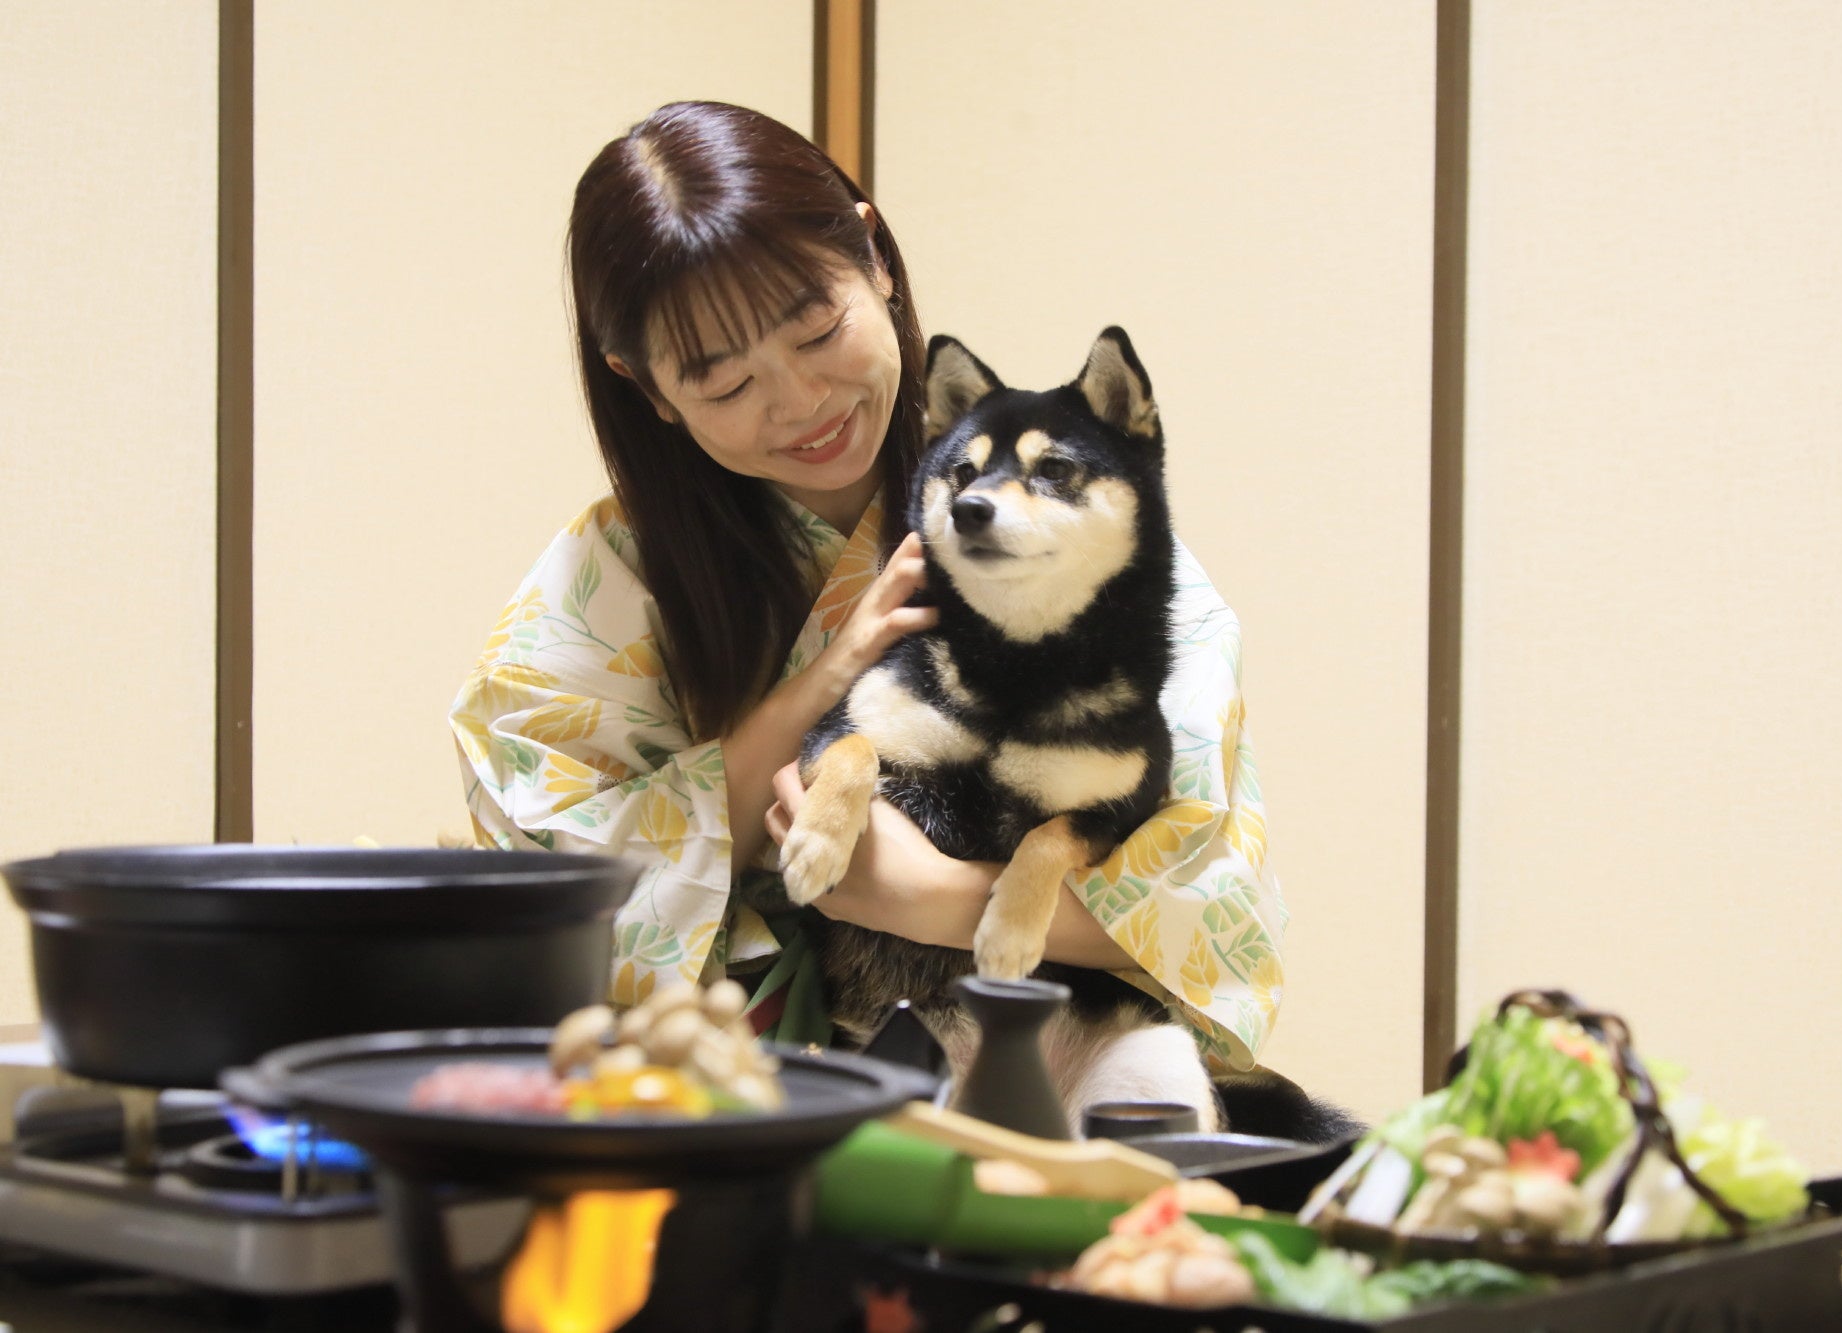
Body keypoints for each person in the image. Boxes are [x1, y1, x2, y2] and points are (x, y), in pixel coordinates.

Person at [449, 100, 1285, 1075]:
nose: (799, 403)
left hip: (1049, 1070)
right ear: (646, 388)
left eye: (814, 330)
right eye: (725, 384)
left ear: (876, 257)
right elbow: (552, 897)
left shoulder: (1063, 522)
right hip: (725, 1088)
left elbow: (1202, 902)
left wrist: (925, 894)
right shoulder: (611, 580)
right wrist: (822, 684)